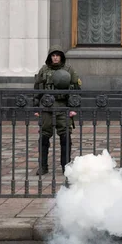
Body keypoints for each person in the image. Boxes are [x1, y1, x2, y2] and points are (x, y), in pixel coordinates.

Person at [34, 45, 81, 175]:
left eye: (57, 55)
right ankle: (43, 166)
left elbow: (76, 89)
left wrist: (73, 108)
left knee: (65, 137)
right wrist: (36, 106)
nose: (55, 58)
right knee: (44, 137)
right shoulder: (44, 70)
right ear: (50, 57)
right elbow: (37, 88)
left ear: (61, 57)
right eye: (53, 55)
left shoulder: (69, 70)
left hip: (63, 107)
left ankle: (66, 166)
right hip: (46, 108)